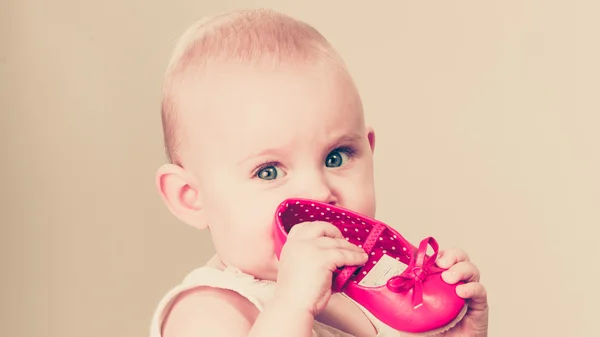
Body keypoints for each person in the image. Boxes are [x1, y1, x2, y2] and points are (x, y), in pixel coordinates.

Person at [149, 8, 489, 337]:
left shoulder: (364, 302)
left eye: (336, 157)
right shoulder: (206, 310)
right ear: (191, 198)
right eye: (268, 172)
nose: (317, 193)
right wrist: (293, 306)